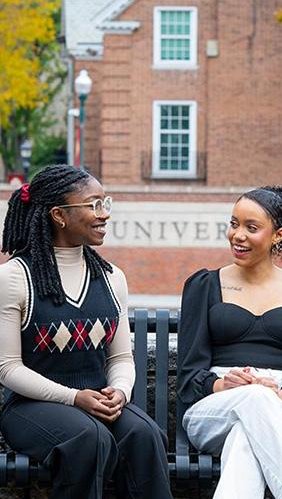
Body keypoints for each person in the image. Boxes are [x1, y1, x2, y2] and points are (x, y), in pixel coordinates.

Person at [0, 165, 173, 499]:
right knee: (90, 439)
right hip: (31, 407)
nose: (104, 214)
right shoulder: (14, 278)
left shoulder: (111, 278)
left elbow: (121, 357)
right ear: (59, 215)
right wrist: (74, 397)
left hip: (97, 400)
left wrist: (120, 391)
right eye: (93, 205)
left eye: (105, 203)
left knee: (144, 434)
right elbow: (7, 367)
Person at [177, 185, 282, 499]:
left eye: (251, 227)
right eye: (234, 224)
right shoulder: (204, 285)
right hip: (215, 405)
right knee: (254, 401)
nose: (237, 235)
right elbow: (190, 374)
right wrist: (224, 386)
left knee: (247, 436)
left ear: (278, 234)